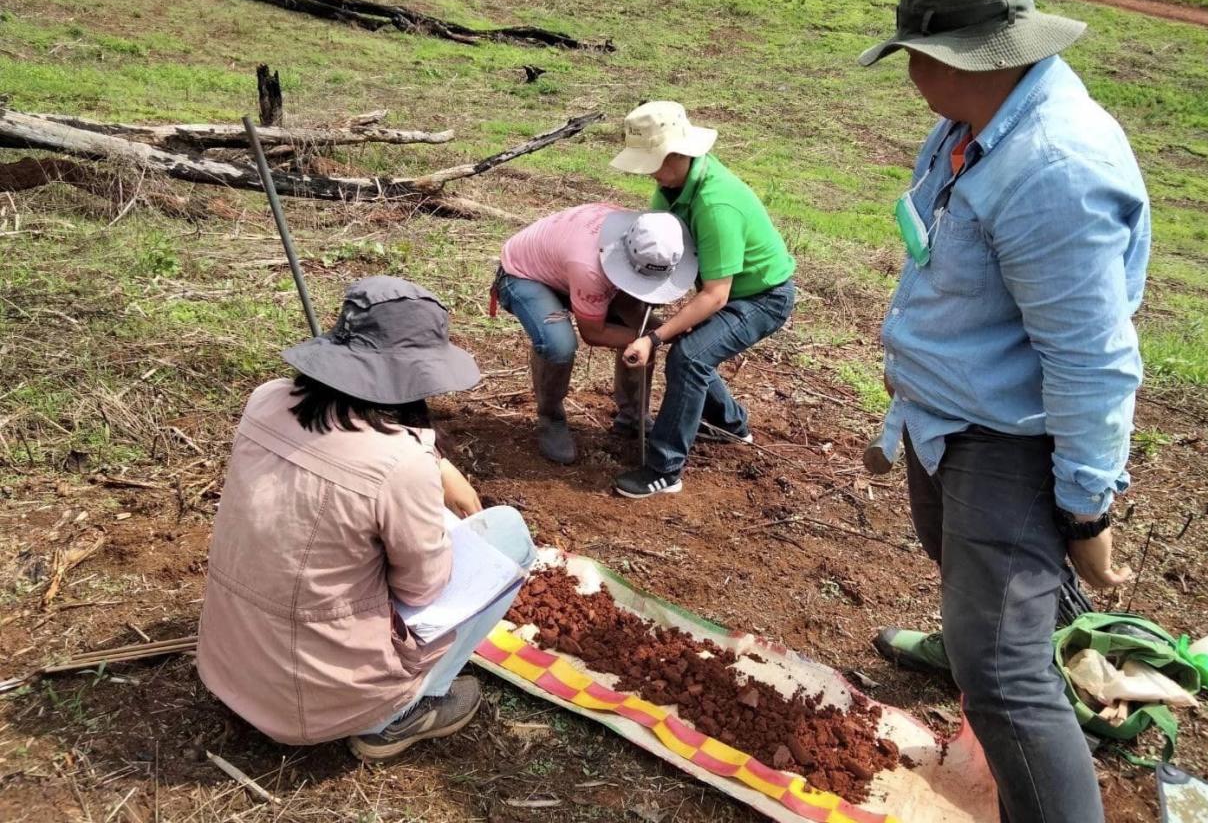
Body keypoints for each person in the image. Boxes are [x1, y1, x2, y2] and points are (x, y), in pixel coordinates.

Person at [857, 0, 1151, 822]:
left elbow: (1092, 359)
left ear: (955, 58)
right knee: (971, 594)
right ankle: (975, 629)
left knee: (1006, 680)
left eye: (912, 52)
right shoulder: (968, 130)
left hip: (1007, 440)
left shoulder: (1053, 168)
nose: (907, 69)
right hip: (948, 415)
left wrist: (1086, 511)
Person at [197, 277, 536, 761]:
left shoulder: (265, 399)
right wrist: (426, 474)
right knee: (507, 534)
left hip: (231, 668)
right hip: (321, 703)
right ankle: (396, 715)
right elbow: (422, 590)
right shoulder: (398, 463)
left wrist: (438, 466)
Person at [607, 102, 796, 498]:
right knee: (694, 352)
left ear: (679, 154)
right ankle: (729, 425)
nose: (650, 174)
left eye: (653, 163)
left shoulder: (716, 203)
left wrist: (655, 339)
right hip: (725, 292)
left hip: (762, 298)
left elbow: (716, 294)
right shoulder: (671, 187)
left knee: (689, 356)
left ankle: (665, 468)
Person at [494, 202, 697, 464]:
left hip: (569, 268)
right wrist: (652, 338)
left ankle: (634, 417)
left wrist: (659, 332)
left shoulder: (649, 236)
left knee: (642, 333)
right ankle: (550, 417)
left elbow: (629, 307)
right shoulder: (589, 264)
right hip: (524, 275)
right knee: (559, 343)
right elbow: (593, 332)